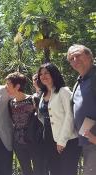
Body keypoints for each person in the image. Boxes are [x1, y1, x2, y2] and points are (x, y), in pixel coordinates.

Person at [37, 63, 81, 175]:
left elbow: (70, 115)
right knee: (54, 170)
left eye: (46, 72)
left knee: (68, 171)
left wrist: (62, 141)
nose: (43, 76)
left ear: (54, 73)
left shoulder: (63, 91)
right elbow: (42, 116)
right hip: (49, 139)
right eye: (41, 74)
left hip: (67, 140)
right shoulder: (43, 94)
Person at [5, 72, 44, 175]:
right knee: (25, 170)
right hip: (18, 142)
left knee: (39, 169)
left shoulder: (33, 100)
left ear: (17, 86)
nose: (6, 87)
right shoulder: (10, 103)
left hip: (34, 141)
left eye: (8, 84)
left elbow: (42, 120)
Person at [67, 44, 96, 175]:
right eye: (71, 58)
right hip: (87, 141)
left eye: (77, 55)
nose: (74, 60)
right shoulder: (79, 81)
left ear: (90, 56)